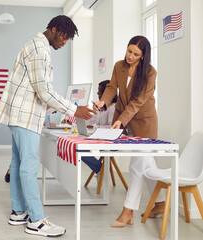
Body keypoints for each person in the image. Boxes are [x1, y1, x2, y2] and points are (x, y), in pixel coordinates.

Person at [0, 15, 96, 237]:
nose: (65, 42)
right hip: (25, 117)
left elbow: (37, 90)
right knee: (29, 166)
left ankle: (18, 211)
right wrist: (74, 109)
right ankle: (37, 221)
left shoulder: (35, 45)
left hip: (20, 115)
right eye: (64, 37)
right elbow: (44, 91)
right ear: (54, 30)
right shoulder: (40, 50)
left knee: (18, 162)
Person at [95, 36, 165, 228]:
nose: (130, 56)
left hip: (145, 122)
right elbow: (111, 88)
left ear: (143, 56)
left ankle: (127, 212)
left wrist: (120, 120)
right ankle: (160, 203)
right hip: (125, 121)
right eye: (129, 51)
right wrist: (104, 102)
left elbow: (138, 101)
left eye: (135, 54)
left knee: (137, 165)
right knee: (147, 163)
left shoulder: (150, 72)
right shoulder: (119, 66)